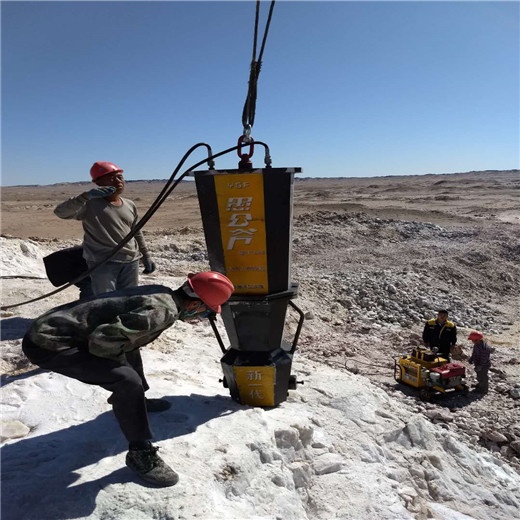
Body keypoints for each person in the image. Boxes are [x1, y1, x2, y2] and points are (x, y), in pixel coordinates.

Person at [22, 271, 234, 487]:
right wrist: (121, 381)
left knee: (129, 346)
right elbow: (102, 341)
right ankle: (140, 452)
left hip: (55, 329)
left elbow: (121, 336)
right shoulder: (162, 311)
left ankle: (136, 400)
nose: (201, 317)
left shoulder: (162, 293)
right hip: (48, 344)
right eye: (205, 312)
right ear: (194, 305)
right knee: (127, 381)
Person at [54, 161, 156, 296]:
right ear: (98, 182)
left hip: (130, 261)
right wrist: (85, 196)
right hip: (103, 262)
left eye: (120, 177)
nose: (118, 181)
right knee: (105, 300)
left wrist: (146, 256)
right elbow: (60, 212)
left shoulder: (129, 205)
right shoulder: (89, 204)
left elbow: (136, 231)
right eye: (111, 178)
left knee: (128, 298)